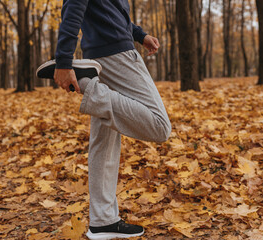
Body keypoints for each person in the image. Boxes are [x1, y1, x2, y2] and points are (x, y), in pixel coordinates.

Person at [36, 0, 171, 239]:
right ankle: (88, 86)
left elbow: (110, 11)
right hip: (118, 56)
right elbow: (74, 6)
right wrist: (65, 60)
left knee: (104, 143)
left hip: (101, 56)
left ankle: (103, 220)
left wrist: (140, 34)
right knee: (159, 126)